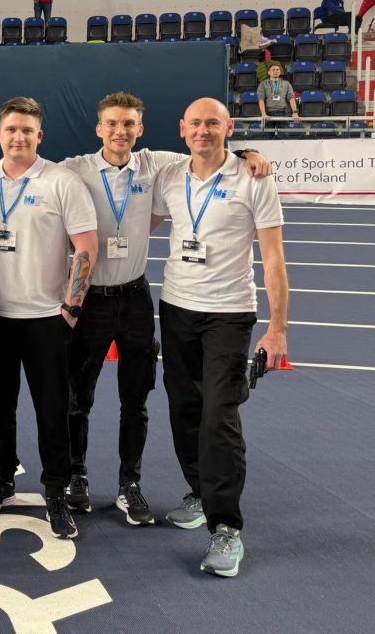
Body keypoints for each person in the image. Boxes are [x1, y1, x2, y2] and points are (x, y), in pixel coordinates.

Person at [53, 93, 271, 527]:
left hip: (135, 299)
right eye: (112, 124)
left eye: (128, 124)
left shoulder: (157, 165)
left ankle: (129, 484)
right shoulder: (74, 169)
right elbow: (30, 170)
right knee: (78, 397)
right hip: (90, 302)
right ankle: (76, 476)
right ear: (99, 129)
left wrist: (250, 153)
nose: (120, 131)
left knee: (136, 399)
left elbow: (209, 151)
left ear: (140, 129)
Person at [152, 97, 289, 578]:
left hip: (229, 313)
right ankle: (199, 490)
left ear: (229, 128)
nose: (203, 130)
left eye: (213, 123)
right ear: (181, 129)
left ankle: (226, 526)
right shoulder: (170, 175)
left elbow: (273, 257)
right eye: (195, 123)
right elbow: (137, 220)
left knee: (219, 416)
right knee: (183, 408)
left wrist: (277, 328)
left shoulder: (254, 177)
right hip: (175, 307)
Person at [0, 97, 97, 540]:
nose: (19, 137)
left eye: (27, 130)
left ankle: (55, 491)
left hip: (47, 319)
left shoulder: (62, 181)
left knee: (52, 411)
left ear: (39, 137)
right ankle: (3, 477)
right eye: (11, 129)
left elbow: (86, 247)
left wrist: (71, 309)